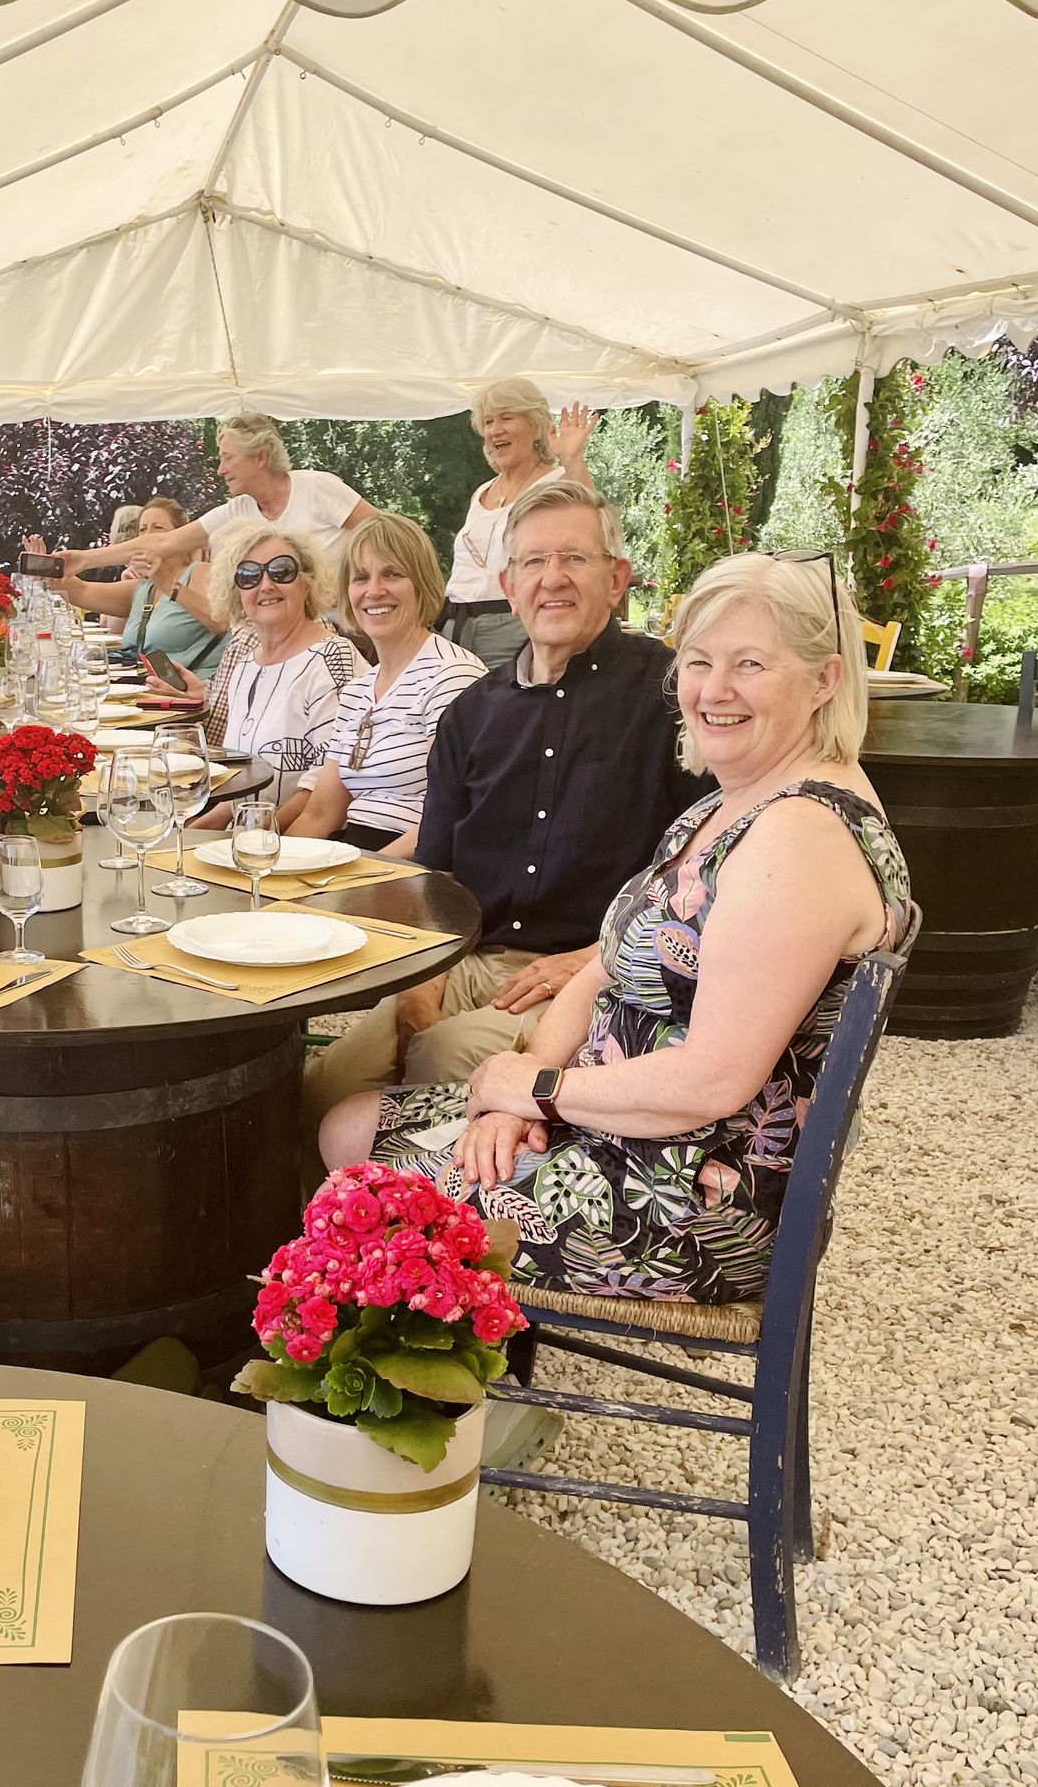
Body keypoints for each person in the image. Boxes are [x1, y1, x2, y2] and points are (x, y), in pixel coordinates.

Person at [323, 553, 912, 1306]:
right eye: (699, 661)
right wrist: (522, 1092)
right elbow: (602, 969)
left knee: (357, 1192)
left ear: (824, 679)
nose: (715, 690)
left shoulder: (800, 837)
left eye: (751, 664)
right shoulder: (729, 804)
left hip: (684, 1196)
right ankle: (437, 1356)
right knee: (349, 1122)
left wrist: (539, 1091)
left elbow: (712, 1081)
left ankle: (407, 1380)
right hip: (610, 1120)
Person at [306, 479, 702, 1118]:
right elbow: (435, 872)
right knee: (322, 1089)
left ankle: (445, 1211)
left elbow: (700, 877)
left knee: (438, 1062)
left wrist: (594, 958)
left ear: (617, 578)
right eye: (534, 562)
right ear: (508, 586)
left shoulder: (670, 696)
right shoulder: (473, 713)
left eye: (575, 558)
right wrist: (421, 983)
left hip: (594, 975)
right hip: (470, 956)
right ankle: (336, 1218)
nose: (553, 578)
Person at [283, 513, 481, 855]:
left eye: (392, 574)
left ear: (421, 583)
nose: (374, 591)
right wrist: (273, 871)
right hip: (352, 858)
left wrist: (358, 876)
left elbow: (451, 817)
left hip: (413, 870)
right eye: (361, 577)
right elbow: (320, 814)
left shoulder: (452, 676)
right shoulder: (358, 691)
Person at [142, 522, 358, 824]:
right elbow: (240, 796)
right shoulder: (246, 666)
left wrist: (254, 842)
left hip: (303, 845)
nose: (266, 585)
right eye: (249, 575)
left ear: (307, 582)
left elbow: (322, 791)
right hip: (246, 840)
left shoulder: (331, 657)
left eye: (281, 571)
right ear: (236, 593)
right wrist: (185, 836)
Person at [58, 417, 377, 586]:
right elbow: (164, 543)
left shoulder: (317, 488)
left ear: (260, 457)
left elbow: (387, 534)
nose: (221, 469)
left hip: (350, 632)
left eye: (228, 458)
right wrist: (85, 560)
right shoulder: (240, 509)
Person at [445, 379, 593, 669]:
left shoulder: (554, 482)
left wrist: (573, 459)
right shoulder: (482, 492)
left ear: (536, 426)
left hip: (511, 626)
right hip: (455, 627)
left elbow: (592, 520)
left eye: (506, 418)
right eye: (487, 422)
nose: (494, 430)